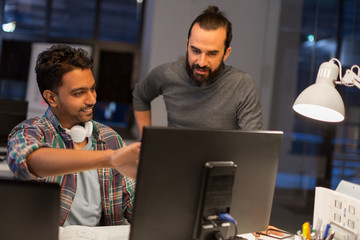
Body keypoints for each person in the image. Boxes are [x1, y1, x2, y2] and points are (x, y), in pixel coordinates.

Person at [6, 45, 140, 226]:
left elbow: (134, 207)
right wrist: (111, 158)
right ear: (51, 98)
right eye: (79, 93)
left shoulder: (111, 138)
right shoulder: (30, 131)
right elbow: (27, 161)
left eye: (92, 89)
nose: (92, 99)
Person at [133, 6, 263, 138]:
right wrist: (145, 140)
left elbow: (254, 142)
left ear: (226, 53)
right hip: (175, 157)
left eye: (212, 54)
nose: (201, 62)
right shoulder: (167, 74)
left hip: (219, 159)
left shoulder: (242, 85)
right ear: (187, 45)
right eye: (195, 51)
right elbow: (140, 95)